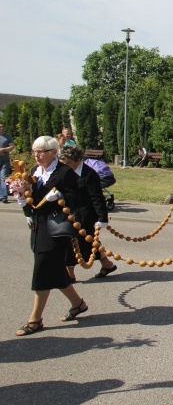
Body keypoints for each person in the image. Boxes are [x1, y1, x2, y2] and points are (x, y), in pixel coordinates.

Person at [13, 136, 88, 336]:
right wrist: (22, 197)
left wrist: (61, 196)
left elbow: (76, 198)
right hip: (39, 228)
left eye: (41, 152)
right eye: (34, 151)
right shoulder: (34, 172)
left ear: (54, 152)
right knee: (55, 271)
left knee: (42, 272)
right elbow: (32, 198)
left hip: (56, 230)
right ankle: (78, 304)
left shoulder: (64, 173)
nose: (37, 156)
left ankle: (35, 320)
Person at [59, 145, 117, 281]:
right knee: (84, 242)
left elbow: (97, 198)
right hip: (69, 212)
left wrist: (102, 218)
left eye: (68, 163)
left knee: (78, 242)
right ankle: (106, 264)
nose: (66, 166)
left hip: (85, 214)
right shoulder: (65, 172)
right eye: (64, 163)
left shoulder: (89, 174)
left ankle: (70, 273)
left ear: (78, 159)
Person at [0, 121, 15, 203]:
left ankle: (3, 196)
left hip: (4, 161)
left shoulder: (7, 136)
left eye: (2, 126)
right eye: (0, 127)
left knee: (3, 177)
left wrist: (3, 150)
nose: (1, 128)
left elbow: (11, 147)